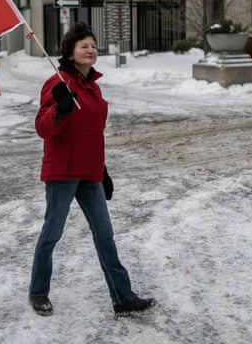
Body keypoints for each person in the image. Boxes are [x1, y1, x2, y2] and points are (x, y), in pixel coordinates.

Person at [28, 21, 155, 317]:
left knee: (105, 235)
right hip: (62, 173)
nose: (91, 50)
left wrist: (102, 169)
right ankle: (38, 292)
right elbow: (43, 128)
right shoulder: (58, 84)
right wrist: (60, 110)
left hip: (90, 173)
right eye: (84, 46)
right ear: (70, 53)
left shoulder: (93, 88)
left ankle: (123, 297)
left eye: (94, 46)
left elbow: (92, 133)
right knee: (52, 233)